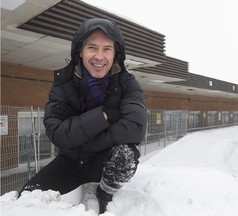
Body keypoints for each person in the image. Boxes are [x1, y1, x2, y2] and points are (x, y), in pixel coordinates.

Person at [18, 18, 147, 214]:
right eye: (92, 47)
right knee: (26, 198)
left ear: (116, 54)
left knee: (126, 154)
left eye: (107, 49)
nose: (99, 56)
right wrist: (103, 116)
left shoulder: (128, 84)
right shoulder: (64, 84)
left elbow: (134, 130)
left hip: (104, 163)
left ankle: (105, 194)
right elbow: (57, 133)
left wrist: (80, 140)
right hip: (69, 162)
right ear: (80, 50)